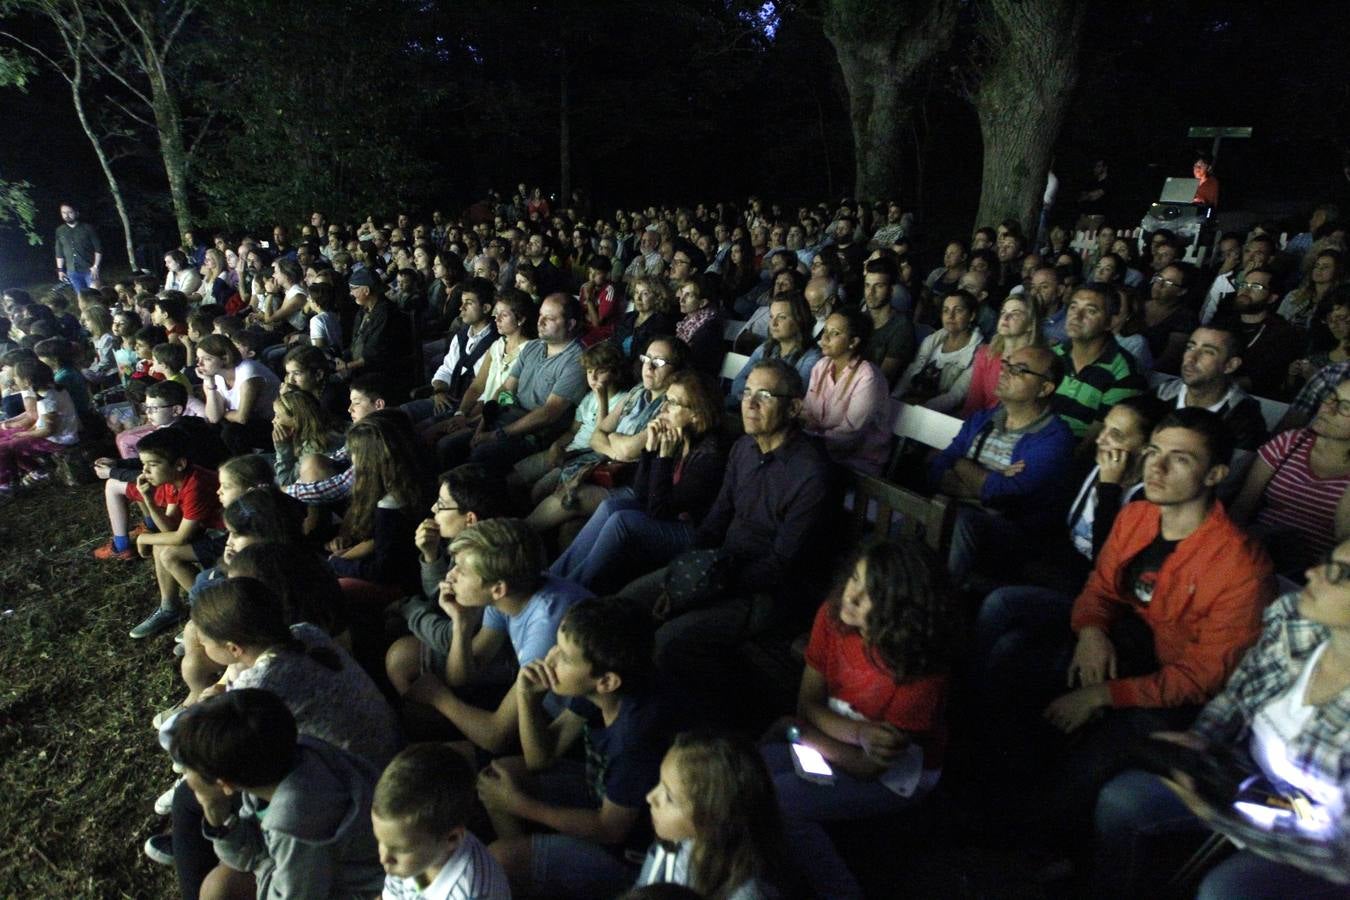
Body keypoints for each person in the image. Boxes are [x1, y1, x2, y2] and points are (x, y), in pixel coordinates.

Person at [989, 410, 1275, 828]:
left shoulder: (1240, 566)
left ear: (1215, 474)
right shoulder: (1136, 515)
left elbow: (1201, 678)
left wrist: (1104, 695)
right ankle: (993, 794)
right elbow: (1101, 588)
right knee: (1014, 659)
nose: (1156, 467)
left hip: (1172, 690)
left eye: (1180, 459)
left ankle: (1038, 834)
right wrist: (1091, 632)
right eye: (1154, 451)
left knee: (1094, 759)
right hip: (1122, 647)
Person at [1093, 538, 1350, 899]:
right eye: (1326, 560)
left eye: (1339, 574)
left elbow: (1341, 848)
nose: (1312, 573)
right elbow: (1235, 698)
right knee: (1123, 800)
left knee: (1226, 891)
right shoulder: (1294, 622)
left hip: (1311, 834)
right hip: (1238, 776)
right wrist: (1198, 746)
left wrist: (1227, 815)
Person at [633, 360, 835, 718]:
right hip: (717, 568)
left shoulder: (810, 472)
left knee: (667, 642)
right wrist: (681, 577)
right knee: (629, 603)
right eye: (746, 393)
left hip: (766, 592)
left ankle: (680, 726)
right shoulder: (743, 449)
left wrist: (697, 592)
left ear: (793, 408)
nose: (750, 404)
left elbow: (780, 566)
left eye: (765, 395)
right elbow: (714, 524)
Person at [761, 541, 951, 900]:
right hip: (837, 738)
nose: (851, 595)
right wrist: (853, 731)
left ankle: (841, 891)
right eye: (854, 579)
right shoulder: (833, 616)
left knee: (780, 801)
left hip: (900, 776)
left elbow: (868, 768)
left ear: (902, 610)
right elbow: (807, 704)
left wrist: (800, 731)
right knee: (750, 773)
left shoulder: (921, 670)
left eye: (872, 594)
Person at [481, 597, 679, 900]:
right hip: (597, 792)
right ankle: (530, 874)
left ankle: (526, 869)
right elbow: (540, 759)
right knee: (497, 777)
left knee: (500, 859)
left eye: (565, 657)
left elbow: (611, 829)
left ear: (607, 681)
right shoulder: (599, 693)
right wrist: (526, 698)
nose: (550, 659)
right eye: (556, 646)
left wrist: (520, 805)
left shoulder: (636, 738)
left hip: (627, 855)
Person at [167, 688, 385, 900]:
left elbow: (292, 891)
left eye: (188, 770)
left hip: (366, 888)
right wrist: (216, 814)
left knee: (217, 889)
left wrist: (262, 864)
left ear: (225, 784)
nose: (187, 777)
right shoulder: (290, 752)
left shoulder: (296, 822)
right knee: (217, 887)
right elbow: (252, 853)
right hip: (321, 870)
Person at [399, 519, 590, 754]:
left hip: (563, 726)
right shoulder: (507, 596)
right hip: (534, 698)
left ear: (498, 589)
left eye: (462, 570)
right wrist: (461, 623)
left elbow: (497, 735)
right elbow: (461, 677)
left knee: (419, 716)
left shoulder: (547, 628)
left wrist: (439, 698)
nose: (450, 575)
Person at [550, 370, 728, 593]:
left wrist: (663, 458)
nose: (663, 409)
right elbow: (641, 493)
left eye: (673, 403)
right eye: (666, 400)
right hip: (668, 514)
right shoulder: (678, 435)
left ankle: (569, 591)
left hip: (693, 531)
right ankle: (553, 577)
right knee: (609, 507)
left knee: (622, 521)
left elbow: (658, 510)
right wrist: (650, 450)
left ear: (696, 414)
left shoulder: (710, 455)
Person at [928, 345, 1076, 587]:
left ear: (1045, 388)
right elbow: (935, 470)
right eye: (1006, 364)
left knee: (960, 521)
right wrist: (985, 482)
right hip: (952, 512)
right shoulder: (982, 418)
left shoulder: (1055, 439)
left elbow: (1005, 496)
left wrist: (959, 463)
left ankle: (937, 600)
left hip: (1013, 538)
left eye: (1018, 370)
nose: (1005, 372)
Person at [442, 294, 589, 474]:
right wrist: (483, 425)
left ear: (571, 324)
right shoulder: (533, 347)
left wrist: (498, 433)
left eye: (550, 318)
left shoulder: (576, 361)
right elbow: (507, 389)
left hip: (534, 433)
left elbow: (548, 413)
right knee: (448, 445)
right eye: (540, 315)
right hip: (506, 417)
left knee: (481, 455)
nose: (540, 322)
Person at [636, 732, 787, 900]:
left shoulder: (743, 894)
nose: (650, 797)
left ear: (713, 816)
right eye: (660, 783)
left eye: (670, 798)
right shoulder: (671, 844)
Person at [1230, 375, 1350, 577]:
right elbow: (1243, 506)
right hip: (1252, 554)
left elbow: (1344, 540)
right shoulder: (1291, 442)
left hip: (1312, 575)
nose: (1328, 408)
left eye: (1345, 407)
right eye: (1331, 398)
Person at [371, 744, 511, 900]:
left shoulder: (465, 892)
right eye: (380, 841)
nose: (383, 858)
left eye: (402, 849)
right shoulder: (419, 858)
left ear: (452, 839)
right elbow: (402, 889)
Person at [123, 427, 225, 639]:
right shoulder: (173, 481)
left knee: (170, 554)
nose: (145, 471)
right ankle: (169, 608)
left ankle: (212, 615)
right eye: (143, 464)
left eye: (153, 464)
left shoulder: (196, 484)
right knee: (160, 545)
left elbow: (181, 537)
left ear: (179, 464)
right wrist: (149, 500)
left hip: (227, 536)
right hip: (208, 531)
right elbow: (169, 528)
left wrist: (143, 538)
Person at [327, 410, 427, 594]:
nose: (352, 459)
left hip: (402, 585)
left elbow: (383, 571)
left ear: (369, 459)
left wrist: (338, 564)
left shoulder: (391, 504)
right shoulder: (408, 482)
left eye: (355, 453)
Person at [802, 307, 891, 475]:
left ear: (853, 342)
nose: (824, 338)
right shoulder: (821, 366)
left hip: (856, 463)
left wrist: (808, 443)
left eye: (834, 333)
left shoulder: (867, 376)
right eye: (825, 331)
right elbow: (807, 413)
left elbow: (850, 436)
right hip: (819, 454)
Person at [1051, 284, 1146, 438]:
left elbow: (1097, 438)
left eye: (1091, 311)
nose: (1077, 316)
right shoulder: (1053, 354)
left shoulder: (1124, 372)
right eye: (1073, 307)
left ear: (1110, 322)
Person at [1155, 324, 1270, 452]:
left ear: (1230, 365)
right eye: (1190, 347)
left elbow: (1236, 464)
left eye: (1208, 352)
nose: (1191, 358)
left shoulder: (1244, 418)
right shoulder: (1162, 393)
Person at [1214, 267, 1302, 399]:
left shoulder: (1282, 333)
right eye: (1243, 284)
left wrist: (1216, 387)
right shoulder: (1223, 323)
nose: (1245, 291)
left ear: (1272, 298)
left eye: (1256, 287)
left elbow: (1264, 379)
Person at [893, 289, 983, 413]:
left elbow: (956, 396)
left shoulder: (979, 354)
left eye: (958, 310)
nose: (950, 316)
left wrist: (918, 409)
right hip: (908, 403)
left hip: (938, 415)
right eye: (946, 310)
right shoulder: (931, 340)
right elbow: (910, 372)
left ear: (971, 316)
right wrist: (894, 399)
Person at [0, 358, 80, 498]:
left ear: (27, 381)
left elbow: (49, 430)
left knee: (3, 447)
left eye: (16, 377)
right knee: (6, 440)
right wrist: (25, 431)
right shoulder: (51, 390)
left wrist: (24, 434)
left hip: (58, 440)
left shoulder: (47, 400)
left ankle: (7, 484)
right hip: (54, 435)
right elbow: (43, 423)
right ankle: (37, 471)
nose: (14, 379)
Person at [727, 295, 822, 411]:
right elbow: (737, 384)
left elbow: (792, 395)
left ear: (800, 320)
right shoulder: (765, 348)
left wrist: (751, 390)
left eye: (782, 317)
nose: (773, 323)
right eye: (771, 316)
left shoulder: (812, 357)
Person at [338, 267, 416, 402]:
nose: (351, 293)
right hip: (361, 367)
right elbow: (356, 342)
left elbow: (375, 353)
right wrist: (342, 359)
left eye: (353, 289)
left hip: (380, 372)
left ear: (366, 290)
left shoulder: (386, 313)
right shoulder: (363, 311)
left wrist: (347, 366)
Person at [960, 294, 1045, 418]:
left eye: (1015, 314)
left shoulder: (1038, 361)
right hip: (982, 423)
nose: (1005, 317)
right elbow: (974, 402)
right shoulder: (986, 353)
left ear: (1031, 324)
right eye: (1003, 312)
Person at [197, 333, 282, 454]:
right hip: (250, 423)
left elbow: (242, 418)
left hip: (276, 425)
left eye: (207, 359)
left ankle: (249, 464)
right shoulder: (212, 376)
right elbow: (213, 417)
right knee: (209, 428)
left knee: (232, 432)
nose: (199, 364)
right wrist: (210, 384)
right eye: (198, 359)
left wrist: (223, 413)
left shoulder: (248, 371)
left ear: (225, 358)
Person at [861, 257, 916, 386]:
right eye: (867, 285)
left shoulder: (902, 327)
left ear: (891, 290)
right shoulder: (860, 319)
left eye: (879, 286)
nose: (870, 292)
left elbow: (883, 377)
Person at [1142, 264, 1199, 374]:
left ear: (1182, 291)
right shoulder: (1138, 305)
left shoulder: (1186, 318)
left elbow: (1169, 359)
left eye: (1168, 283)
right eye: (1159, 278)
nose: (1159, 284)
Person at [674, 275, 724, 377]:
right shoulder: (688, 321)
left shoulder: (709, 329)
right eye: (682, 293)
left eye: (689, 295)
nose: (681, 300)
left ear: (702, 303)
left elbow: (694, 365)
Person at [54, 202, 103, 292]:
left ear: (77, 213)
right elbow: (59, 253)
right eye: (63, 213)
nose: (66, 215)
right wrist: (60, 270)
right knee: (81, 297)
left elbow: (98, 249)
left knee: (95, 294)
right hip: (72, 271)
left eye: (70, 212)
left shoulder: (88, 228)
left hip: (89, 269)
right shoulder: (60, 230)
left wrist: (96, 266)